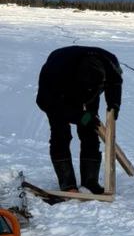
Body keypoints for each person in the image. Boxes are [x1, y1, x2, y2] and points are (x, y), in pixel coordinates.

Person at [36, 46, 123, 194]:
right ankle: (67, 183)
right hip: (61, 96)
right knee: (61, 134)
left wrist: (114, 104)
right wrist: (77, 116)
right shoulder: (54, 72)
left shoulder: (110, 64)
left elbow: (115, 84)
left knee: (90, 128)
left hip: (89, 93)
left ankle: (90, 181)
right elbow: (44, 102)